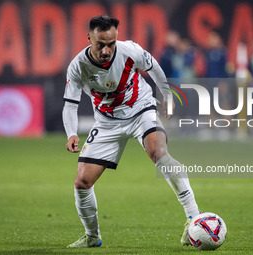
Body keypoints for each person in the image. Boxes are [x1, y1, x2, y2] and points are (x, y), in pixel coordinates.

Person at [62, 15, 200, 248]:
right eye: (100, 44)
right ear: (89, 39)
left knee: (159, 152)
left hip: (140, 109)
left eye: (111, 44)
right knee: (82, 182)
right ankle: (92, 236)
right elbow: (70, 103)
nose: (106, 50)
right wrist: (71, 133)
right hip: (106, 122)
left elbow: (153, 66)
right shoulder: (78, 66)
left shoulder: (129, 51)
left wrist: (166, 95)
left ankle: (193, 218)